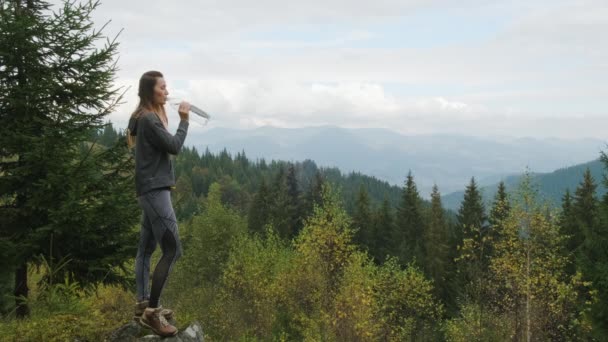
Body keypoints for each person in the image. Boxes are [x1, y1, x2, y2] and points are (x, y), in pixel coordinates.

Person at [126, 70, 190, 337]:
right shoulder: (150, 119)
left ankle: (143, 303)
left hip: (148, 190)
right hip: (155, 191)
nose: (167, 90)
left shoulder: (141, 117)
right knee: (173, 250)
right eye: (162, 87)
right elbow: (174, 146)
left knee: (146, 248)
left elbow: (133, 139)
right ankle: (153, 312)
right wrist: (184, 120)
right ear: (151, 91)